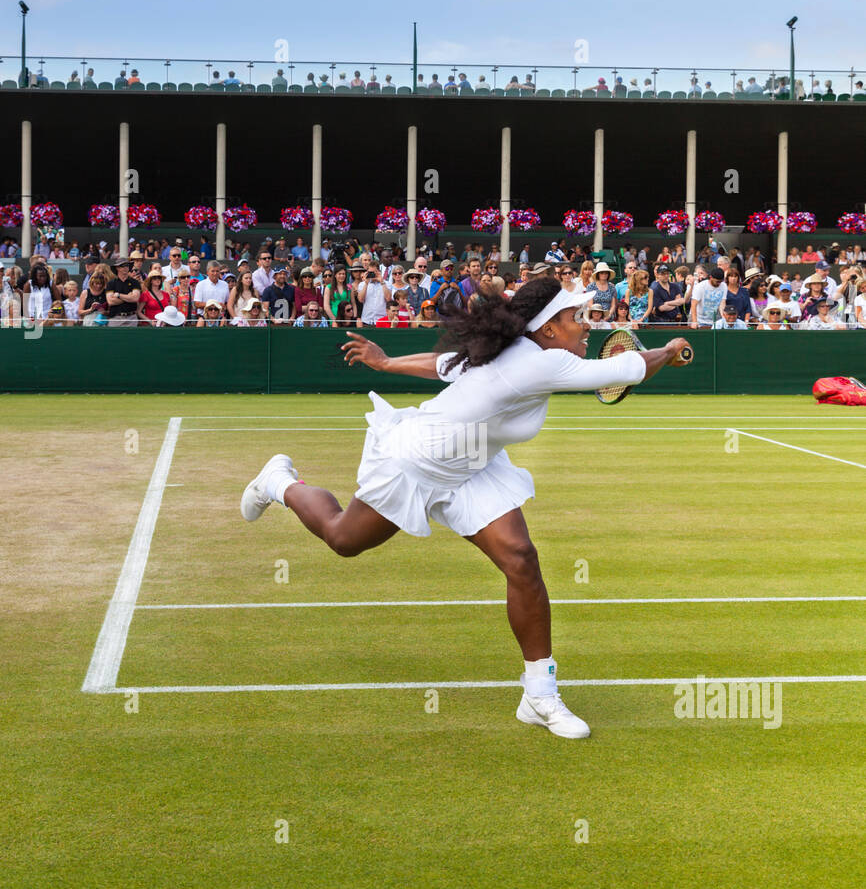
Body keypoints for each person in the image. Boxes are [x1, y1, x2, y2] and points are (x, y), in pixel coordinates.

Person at [239, 279, 692, 739]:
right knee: (342, 538)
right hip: (417, 460)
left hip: (474, 463)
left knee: (521, 559)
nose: (586, 326)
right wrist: (671, 347)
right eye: (576, 318)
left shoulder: (517, 352)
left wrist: (387, 361)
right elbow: (627, 370)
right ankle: (280, 482)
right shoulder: (542, 362)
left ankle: (539, 695)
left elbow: (442, 364)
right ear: (550, 329)